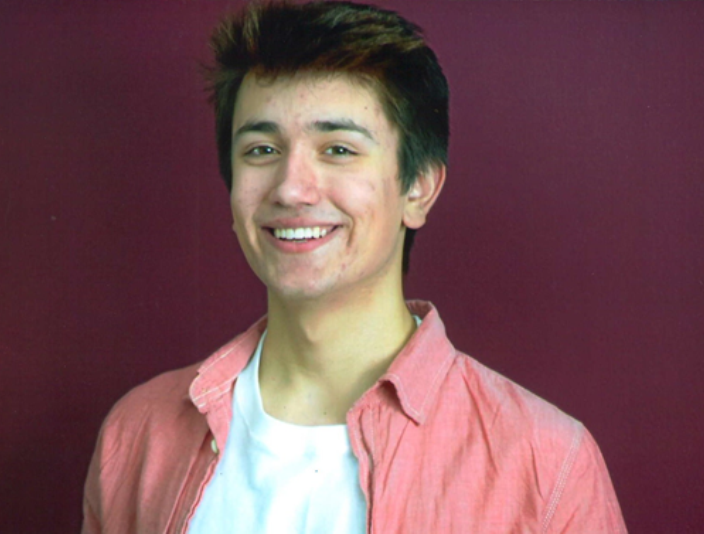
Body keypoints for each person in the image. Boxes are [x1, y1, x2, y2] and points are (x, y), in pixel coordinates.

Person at [82, 2, 627, 532]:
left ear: (419, 188)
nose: (292, 188)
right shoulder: (139, 433)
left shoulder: (545, 466)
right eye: (262, 150)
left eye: (338, 150)